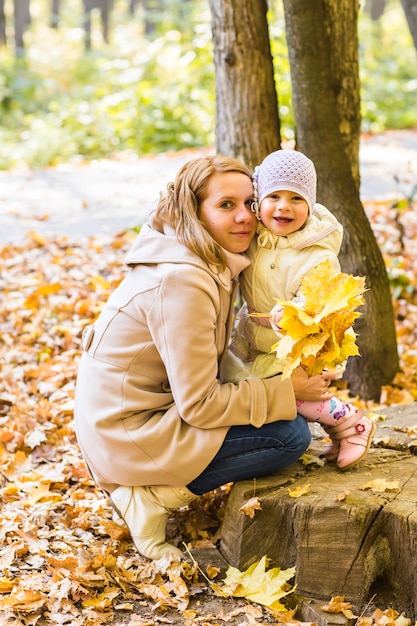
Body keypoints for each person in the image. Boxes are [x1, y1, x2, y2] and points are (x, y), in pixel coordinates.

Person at [74, 154, 335, 561]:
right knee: (289, 436)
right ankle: (151, 499)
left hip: (145, 412)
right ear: (194, 211)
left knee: (283, 419)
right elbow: (198, 403)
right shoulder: (184, 280)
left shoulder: (205, 257)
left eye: (250, 203)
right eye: (225, 205)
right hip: (125, 432)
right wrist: (287, 390)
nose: (245, 217)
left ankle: (151, 489)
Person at [221, 149, 376, 470]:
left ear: (310, 204)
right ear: (258, 202)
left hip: (300, 340)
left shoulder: (317, 254)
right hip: (255, 334)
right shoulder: (253, 237)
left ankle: (350, 423)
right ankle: (336, 431)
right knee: (248, 384)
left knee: (295, 393)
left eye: (296, 198)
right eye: (274, 196)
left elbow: (321, 299)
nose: (284, 206)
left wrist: (295, 312)